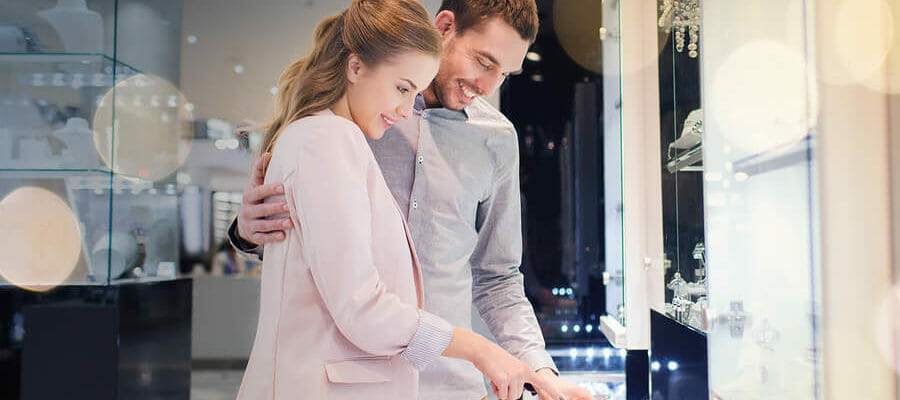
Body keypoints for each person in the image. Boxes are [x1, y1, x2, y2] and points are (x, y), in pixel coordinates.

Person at [231, 1, 595, 399]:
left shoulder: (496, 139)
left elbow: (498, 276)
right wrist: (247, 231)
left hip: (453, 383)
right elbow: (314, 261)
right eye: (483, 61)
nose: (489, 87)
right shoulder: (345, 126)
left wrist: (539, 371)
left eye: (504, 74)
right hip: (351, 382)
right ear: (444, 26)